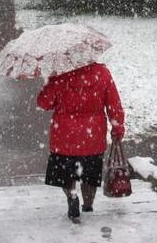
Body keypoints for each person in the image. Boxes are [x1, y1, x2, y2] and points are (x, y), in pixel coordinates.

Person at [37, 61, 125, 221]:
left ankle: (72, 197)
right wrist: (117, 126)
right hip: (92, 136)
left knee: (65, 174)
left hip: (64, 135)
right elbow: (113, 102)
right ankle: (88, 205)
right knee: (90, 174)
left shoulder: (59, 74)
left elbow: (44, 103)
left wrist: (48, 83)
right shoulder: (102, 72)